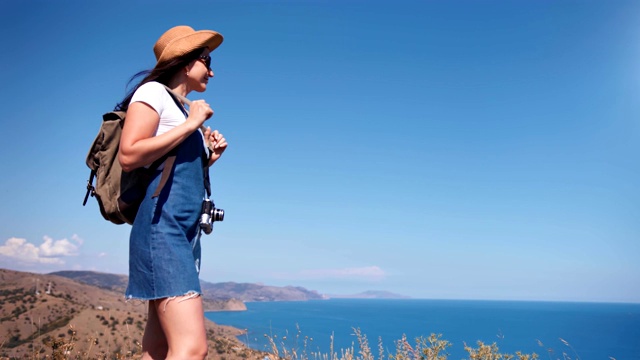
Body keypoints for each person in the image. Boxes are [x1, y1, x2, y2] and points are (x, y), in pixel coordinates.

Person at [116, 25, 227, 360]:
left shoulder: (180, 108)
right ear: (184, 62)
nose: (211, 68)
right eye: (205, 59)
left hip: (183, 232)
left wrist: (209, 158)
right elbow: (130, 154)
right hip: (162, 231)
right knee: (192, 349)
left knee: (160, 348)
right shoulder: (152, 94)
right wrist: (192, 125)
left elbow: (172, 171)